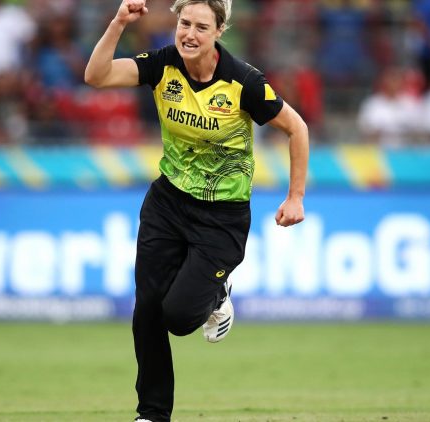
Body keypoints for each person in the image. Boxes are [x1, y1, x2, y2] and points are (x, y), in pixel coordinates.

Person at [84, 1, 309, 421]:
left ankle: (217, 293)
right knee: (147, 306)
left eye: (201, 27)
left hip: (222, 216)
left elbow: (297, 127)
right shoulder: (162, 64)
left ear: (219, 31)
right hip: (168, 202)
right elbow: (95, 76)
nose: (189, 33)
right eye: (183, 23)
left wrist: (295, 196)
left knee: (179, 317)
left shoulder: (244, 82)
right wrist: (118, 23)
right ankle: (151, 413)